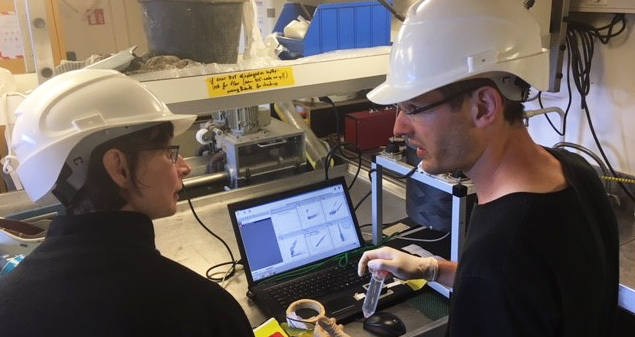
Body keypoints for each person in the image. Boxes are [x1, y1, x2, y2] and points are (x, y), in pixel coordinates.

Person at [317, 0, 619, 336]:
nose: (398, 128)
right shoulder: (576, 171)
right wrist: (430, 269)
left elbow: (500, 278)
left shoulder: (499, 253)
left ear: (484, 106)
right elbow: (524, 289)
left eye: (414, 107)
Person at [0, 69, 255, 337]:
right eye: (169, 153)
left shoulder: (7, 305)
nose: (184, 167)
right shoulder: (203, 308)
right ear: (118, 167)